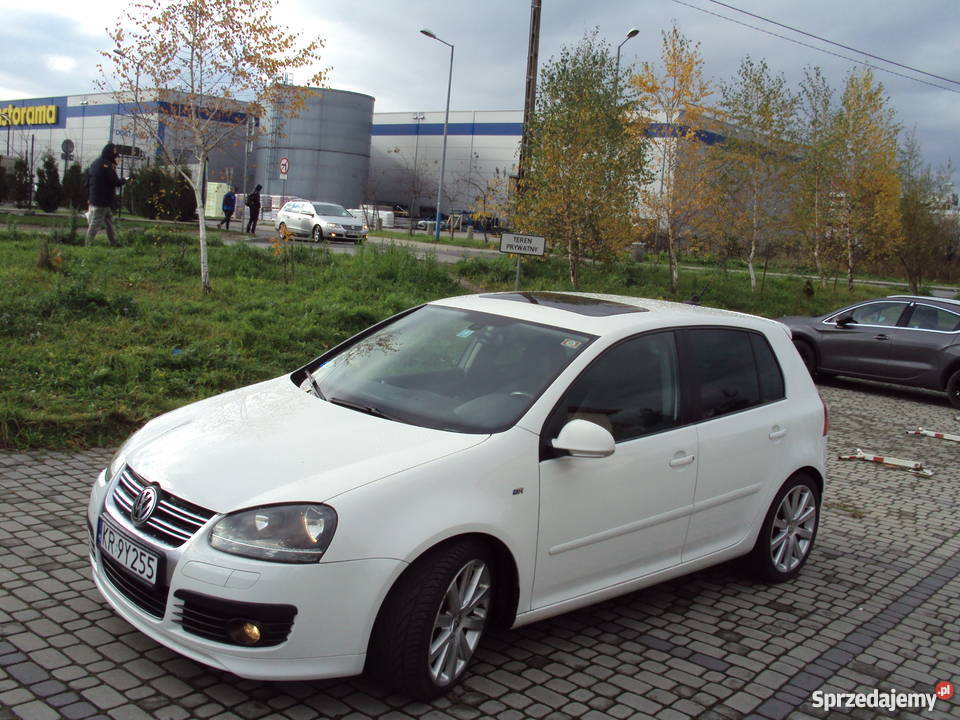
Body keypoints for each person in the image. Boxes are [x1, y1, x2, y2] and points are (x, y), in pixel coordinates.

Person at [85, 143, 125, 246]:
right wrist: (125, 180)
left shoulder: (95, 163)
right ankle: (87, 244)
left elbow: (87, 181)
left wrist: (89, 196)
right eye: (114, 151)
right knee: (95, 223)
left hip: (96, 198)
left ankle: (114, 242)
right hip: (102, 199)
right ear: (110, 152)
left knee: (109, 222)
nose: (116, 154)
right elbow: (115, 181)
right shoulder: (107, 165)